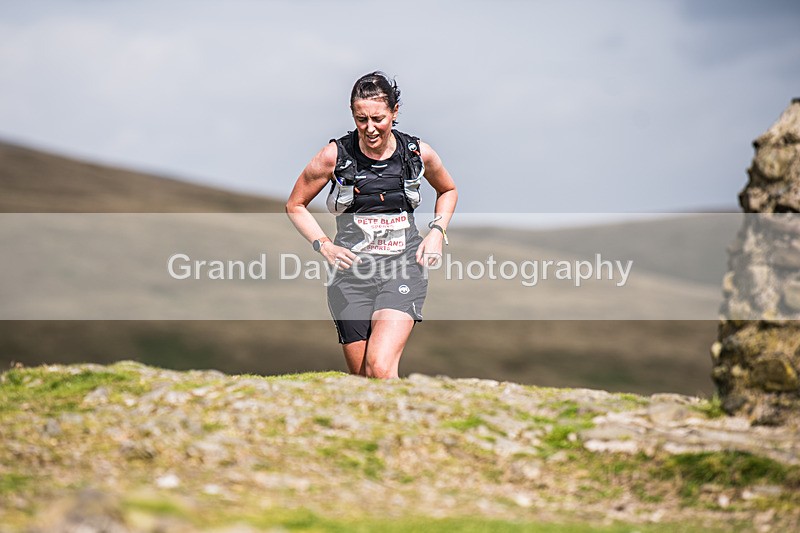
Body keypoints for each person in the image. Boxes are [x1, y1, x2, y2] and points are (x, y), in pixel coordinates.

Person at [286, 71, 457, 380]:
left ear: (394, 111)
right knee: (364, 380)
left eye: (378, 118)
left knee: (379, 366)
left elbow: (448, 190)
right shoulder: (334, 155)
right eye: (361, 119)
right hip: (351, 278)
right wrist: (323, 245)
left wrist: (436, 231)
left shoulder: (417, 153)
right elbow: (295, 204)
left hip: (403, 268)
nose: (370, 128)